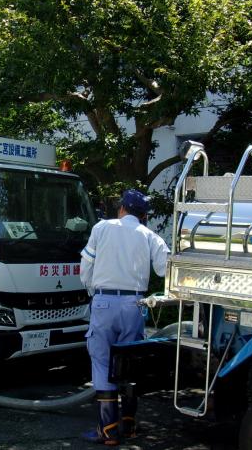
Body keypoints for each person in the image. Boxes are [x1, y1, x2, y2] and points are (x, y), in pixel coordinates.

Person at [79, 189, 170, 445]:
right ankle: (129, 426)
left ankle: (107, 431)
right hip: (135, 303)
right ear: (144, 215)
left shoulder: (102, 228)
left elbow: (85, 268)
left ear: (121, 208)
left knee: (101, 362)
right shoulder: (150, 235)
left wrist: (92, 290)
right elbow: (165, 269)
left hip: (105, 301)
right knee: (129, 364)